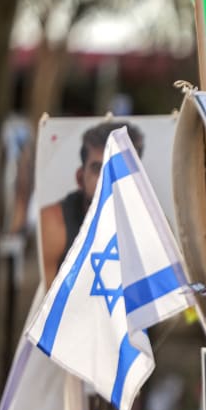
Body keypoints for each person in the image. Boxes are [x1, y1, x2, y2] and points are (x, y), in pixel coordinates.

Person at [39, 121, 144, 287]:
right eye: (98, 169)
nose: (108, 179)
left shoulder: (152, 226)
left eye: (120, 168)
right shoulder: (55, 224)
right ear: (80, 178)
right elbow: (46, 308)